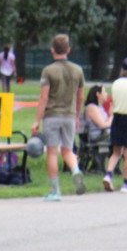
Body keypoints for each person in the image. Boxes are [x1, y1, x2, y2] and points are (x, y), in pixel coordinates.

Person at [30, 34, 85, 200]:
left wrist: (37, 121)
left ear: (52, 50)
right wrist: (77, 116)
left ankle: (55, 191)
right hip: (70, 115)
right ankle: (75, 171)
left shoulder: (48, 71)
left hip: (52, 116)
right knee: (68, 150)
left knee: (52, 153)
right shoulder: (78, 70)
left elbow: (44, 98)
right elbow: (80, 96)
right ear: (68, 50)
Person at [103, 57, 127, 192]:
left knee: (116, 152)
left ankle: (108, 175)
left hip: (117, 118)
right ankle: (126, 183)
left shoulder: (116, 83)